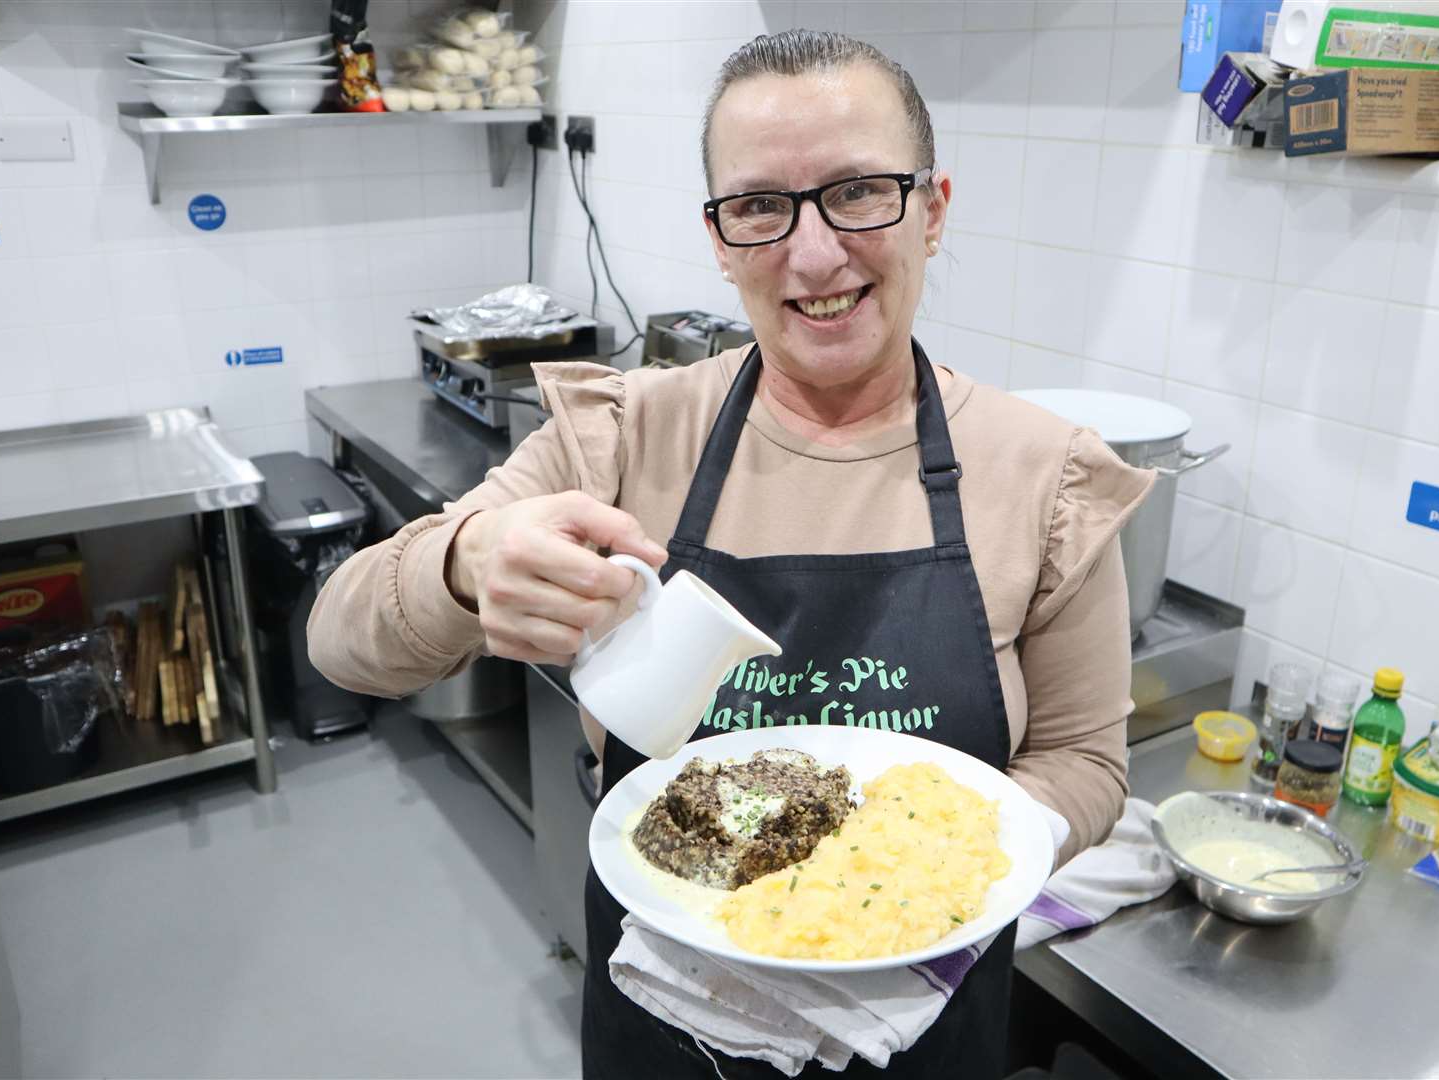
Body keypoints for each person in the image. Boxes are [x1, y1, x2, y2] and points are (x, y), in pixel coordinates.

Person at [307, 29, 1154, 1079]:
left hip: (925, 1031)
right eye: (760, 205)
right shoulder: (621, 437)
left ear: (933, 211)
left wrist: (915, 866)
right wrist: (466, 561)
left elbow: (1085, 764)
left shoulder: (1046, 473)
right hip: (667, 1034)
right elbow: (343, 643)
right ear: (718, 237)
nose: (813, 254)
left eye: (859, 191)